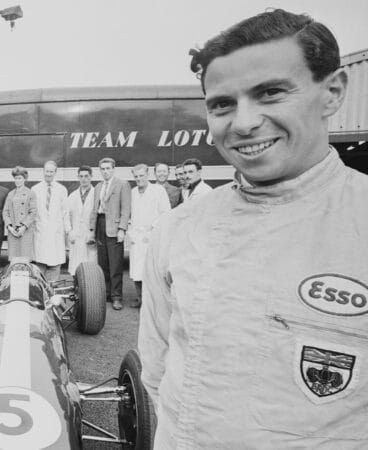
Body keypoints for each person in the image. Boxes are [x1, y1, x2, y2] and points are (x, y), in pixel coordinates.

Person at [139, 9, 368, 448]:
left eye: (270, 93)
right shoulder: (178, 228)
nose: (242, 123)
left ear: (333, 92)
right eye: (222, 104)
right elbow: (155, 371)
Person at [90, 157, 131, 311]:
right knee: (103, 263)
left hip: (114, 228)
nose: (105, 171)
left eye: (108, 168)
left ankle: (116, 297)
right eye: (103, 169)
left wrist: (122, 229)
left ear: (113, 169)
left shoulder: (122, 184)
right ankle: (106, 293)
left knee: (115, 264)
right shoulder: (98, 186)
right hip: (100, 225)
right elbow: (95, 209)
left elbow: (126, 209)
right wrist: (91, 230)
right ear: (100, 170)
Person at [127, 164, 170, 308]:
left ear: (148, 175)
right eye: (136, 176)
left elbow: (165, 213)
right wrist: (131, 231)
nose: (139, 179)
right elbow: (129, 213)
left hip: (151, 236)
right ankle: (140, 299)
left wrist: (151, 230)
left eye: (141, 176)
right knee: (136, 270)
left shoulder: (158, 190)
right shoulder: (132, 192)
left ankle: (151, 303)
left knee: (150, 271)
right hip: (136, 237)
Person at [31, 161, 69, 282]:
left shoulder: (62, 190)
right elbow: (32, 212)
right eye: (47, 171)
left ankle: (53, 293)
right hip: (40, 232)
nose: (48, 174)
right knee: (39, 266)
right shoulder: (35, 189)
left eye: (51, 171)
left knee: (55, 264)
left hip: (55, 233)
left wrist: (68, 230)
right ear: (43, 171)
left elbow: (65, 212)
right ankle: (39, 290)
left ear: (55, 172)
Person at [65, 166, 97, 275]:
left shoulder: (96, 194)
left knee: (90, 270)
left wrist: (93, 233)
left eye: (86, 176)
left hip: (90, 236)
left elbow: (100, 216)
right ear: (78, 177)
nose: (84, 179)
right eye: (81, 176)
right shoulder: (73, 196)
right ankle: (77, 289)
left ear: (91, 177)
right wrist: (70, 232)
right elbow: (66, 216)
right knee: (76, 269)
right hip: (76, 236)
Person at [3, 166, 38, 261]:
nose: (17, 181)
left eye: (20, 178)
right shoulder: (10, 194)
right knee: (14, 258)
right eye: (16, 178)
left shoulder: (31, 193)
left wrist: (23, 227)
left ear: (25, 179)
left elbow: (33, 212)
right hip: (13, 231)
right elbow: (5, 212)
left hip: (25, 231)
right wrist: (9, 227)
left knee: (25, 257)